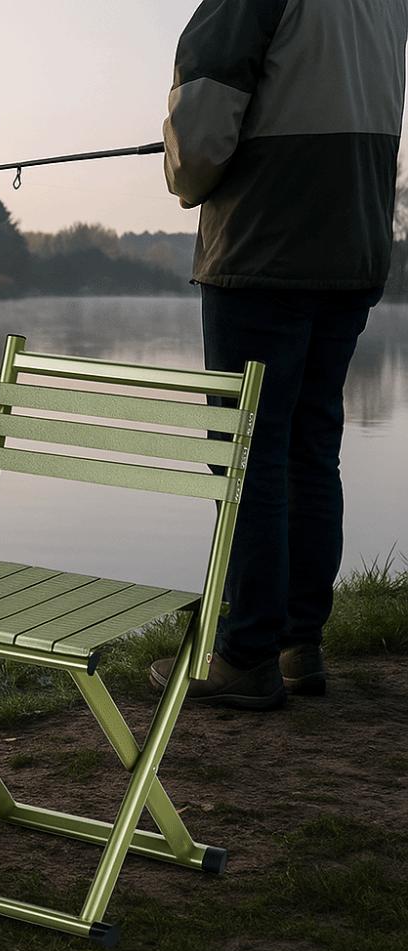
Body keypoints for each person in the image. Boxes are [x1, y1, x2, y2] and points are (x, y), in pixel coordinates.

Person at [150, 0, 408, 709]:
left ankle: (246, 651)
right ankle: (300, 643)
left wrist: (180, 172)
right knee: (309, 446)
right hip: (352, 245)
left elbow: (199, 130)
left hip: (264, 246)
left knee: (248, 454)